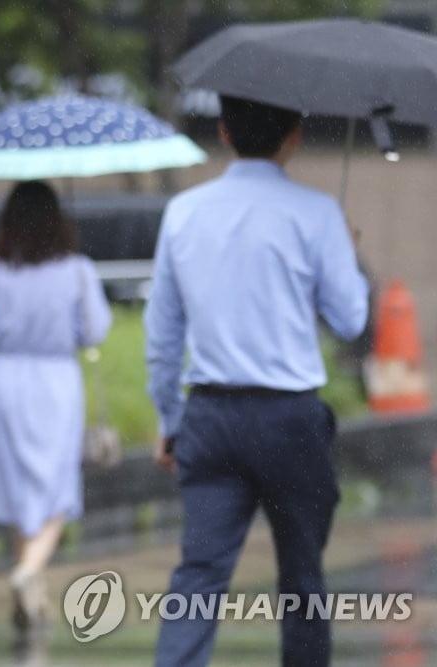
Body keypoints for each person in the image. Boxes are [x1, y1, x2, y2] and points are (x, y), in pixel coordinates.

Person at [144, 95, 369, 666]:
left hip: (211, 417)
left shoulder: (184, 211)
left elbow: (163, 333)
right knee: (302, 579)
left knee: (199, 576)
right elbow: (351, 319)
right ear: (294, 134)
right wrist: (342, 249)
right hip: (291, 421)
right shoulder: (316, 213)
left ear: (223, 131)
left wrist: (170, 421)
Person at [0, 180, 112, 645]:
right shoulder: (77, 270)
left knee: (16, 482)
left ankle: (29, 576)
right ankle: (30, 570)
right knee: (55, 486)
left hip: (6, 381)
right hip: (55, 382)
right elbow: (95, 332)